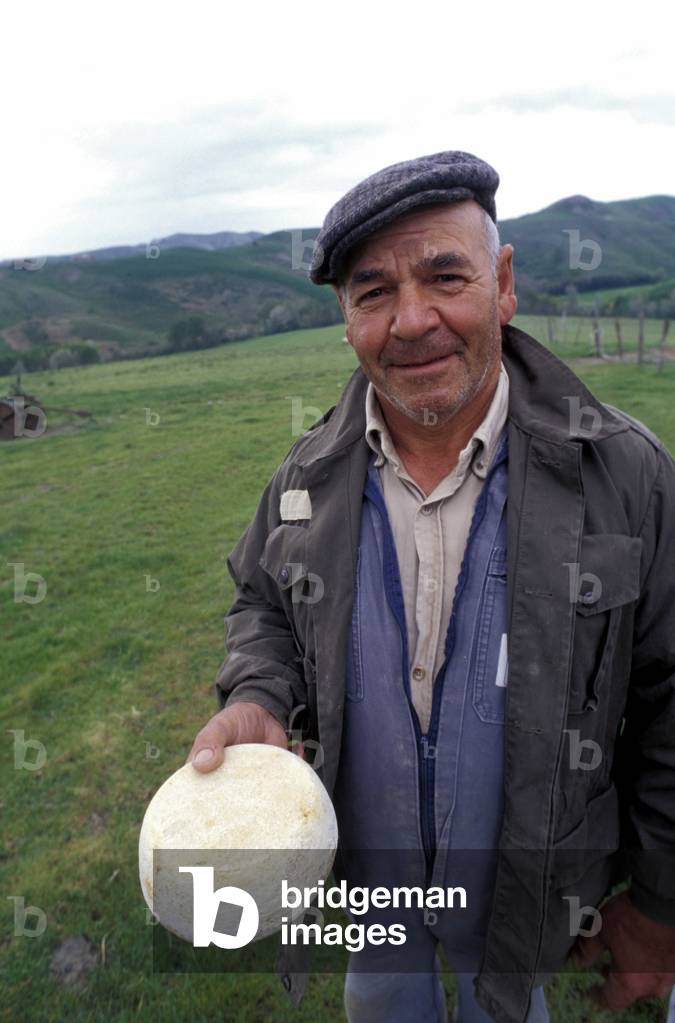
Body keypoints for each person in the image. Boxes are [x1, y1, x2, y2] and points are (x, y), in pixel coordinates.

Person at [186, 151, 675, 1023]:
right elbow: (261, 601)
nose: (411, 321)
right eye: (373, 292)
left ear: (503, 282)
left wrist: (662, 904)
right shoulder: (305, 477)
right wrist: (259, 689)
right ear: (346, 318)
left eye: (445, 275)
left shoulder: (623, 474)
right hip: (373, 891)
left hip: (537, 893)